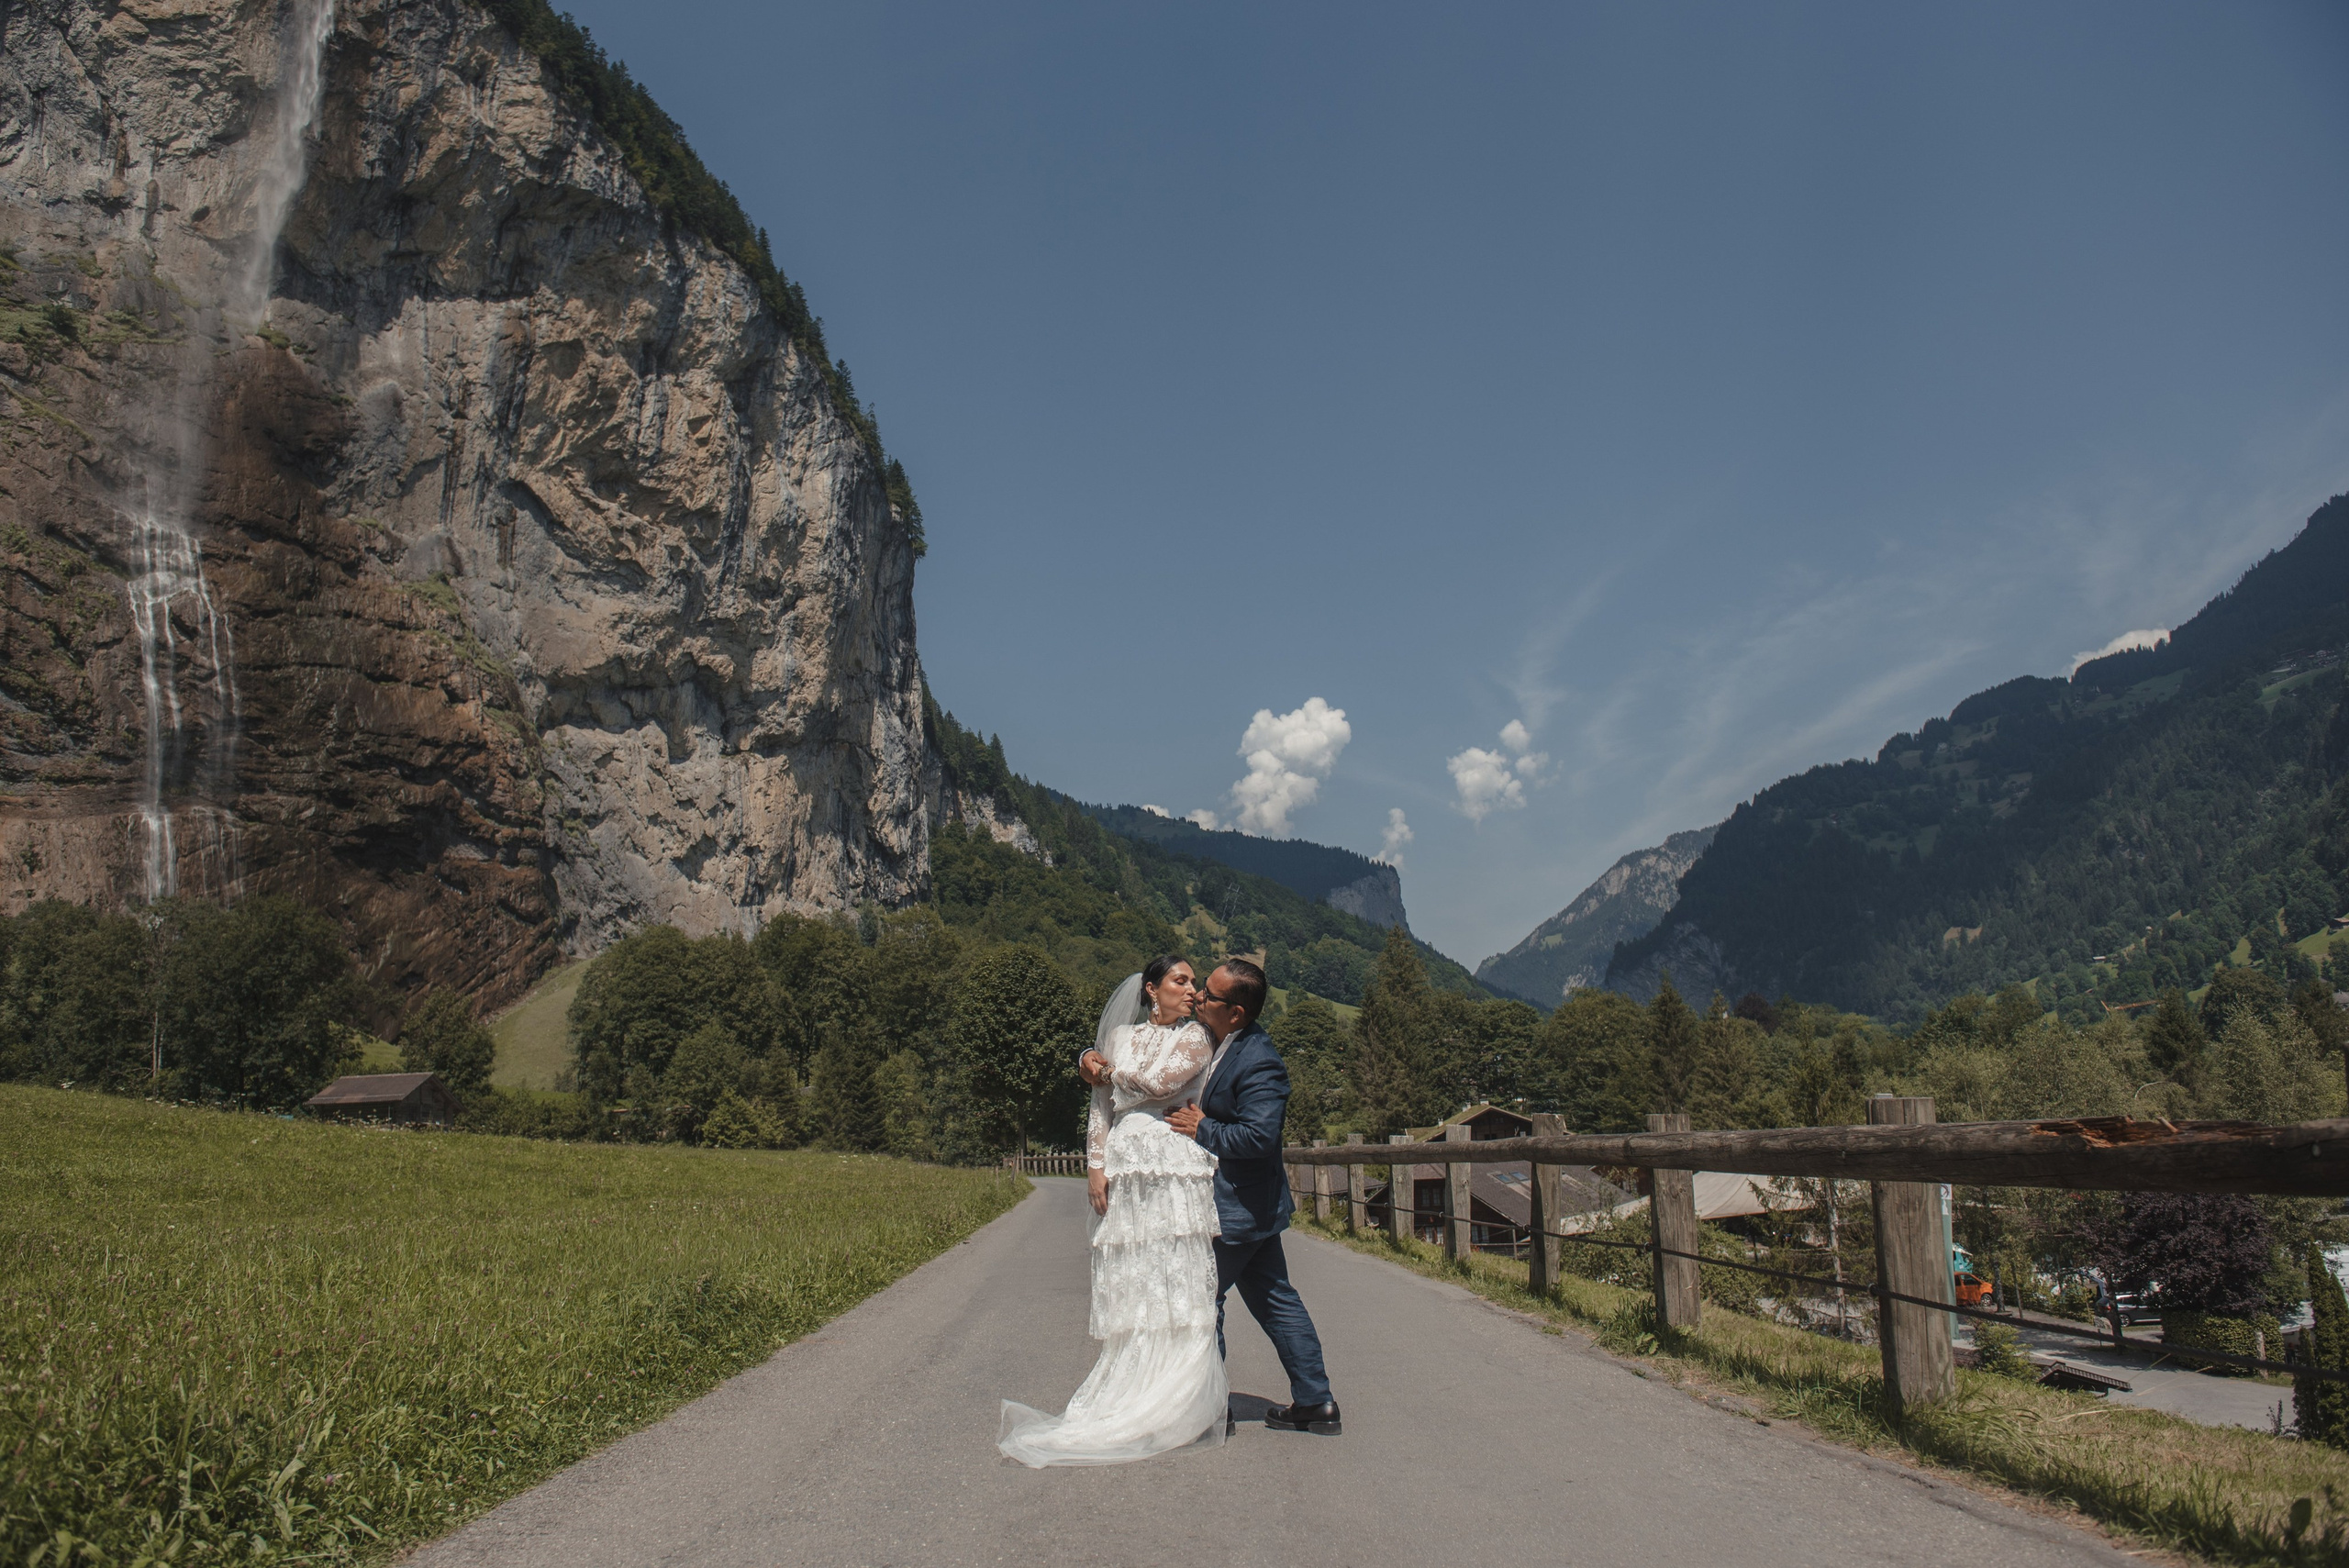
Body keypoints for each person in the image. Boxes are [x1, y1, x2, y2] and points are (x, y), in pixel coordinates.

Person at [1092, 956, 1339, 1436]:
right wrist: (1089, 1052)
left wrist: (1204, 1128)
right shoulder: (1220, 1036)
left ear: (1236, 1013)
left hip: (1238, 1205)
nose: (1198, 996)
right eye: (1198, 987)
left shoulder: (1261, 1061)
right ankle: (1317, 1402)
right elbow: (1143, 1044)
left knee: (1201, 1298)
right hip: (1250, 1206)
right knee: (1275, 1299)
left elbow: (1259, 1138)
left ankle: (1211, 1410)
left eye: (1209, 993)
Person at [996, 957, 1229, 1466]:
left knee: (1177, 1275)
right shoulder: (1120, 1037)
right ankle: (1131, 1389)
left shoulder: (1196, 1038)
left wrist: (1099, 1066)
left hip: (1172, 1166)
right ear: (1152, 989)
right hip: (1126, 1164)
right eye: (1181, 981)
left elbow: (1158, 1084)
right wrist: (1095, 1166)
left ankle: (1180, 1402)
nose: (1192, 990)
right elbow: (1100, 1108)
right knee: (1135, 1275)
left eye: (1194, 983)